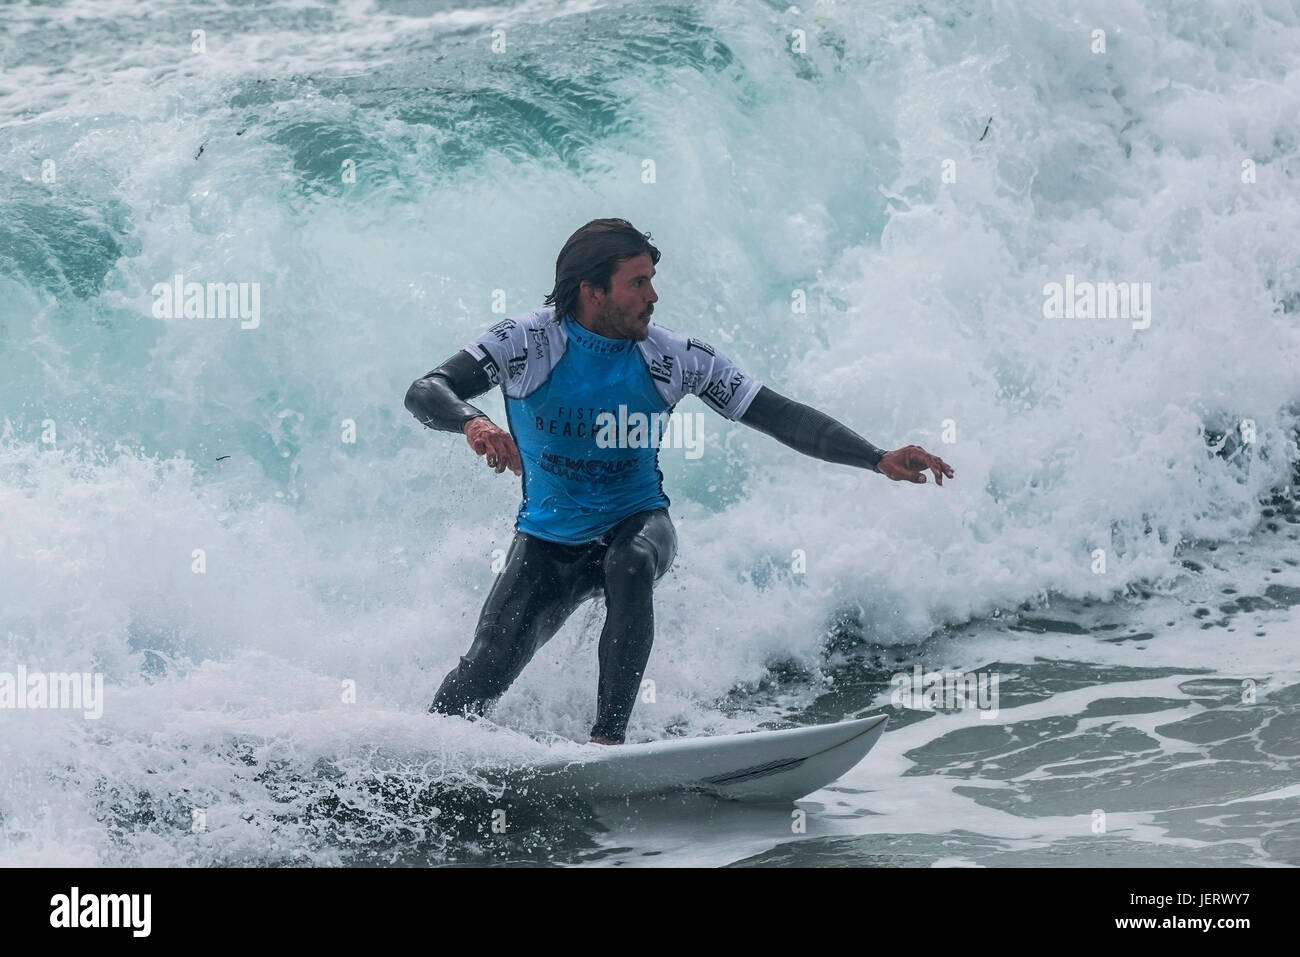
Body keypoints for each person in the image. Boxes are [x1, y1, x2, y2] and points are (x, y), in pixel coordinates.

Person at [405, 218, 954, 745]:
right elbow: (428, 389)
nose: (653, 296)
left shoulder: (675, 357)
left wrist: (876, 457)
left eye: (651, 281)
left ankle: (607, 742)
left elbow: (781, 416)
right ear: (593, 291)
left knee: (628, 563)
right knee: (484, 667)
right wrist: (471, 421)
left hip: (638, 522)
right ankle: (423, 765)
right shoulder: (527, 342)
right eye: (638, 283)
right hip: (547, 539)